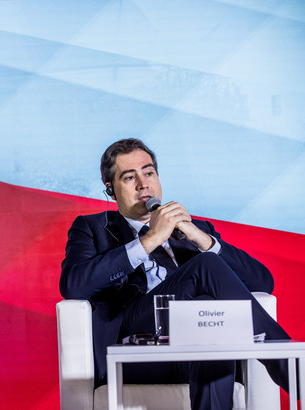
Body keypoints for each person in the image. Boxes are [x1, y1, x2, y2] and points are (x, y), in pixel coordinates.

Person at [59, 138, 291, 410]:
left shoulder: (195, 228)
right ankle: (289, 366)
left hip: (193, 345)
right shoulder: (91, 227)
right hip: (133, 347)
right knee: (206, 266)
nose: (143, 184)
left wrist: (201, 238)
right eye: (129, 177)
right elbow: (73, 285)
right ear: (111, 190)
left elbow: (263, 281)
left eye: (148, 173)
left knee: (206, 317)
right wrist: (150, 240)